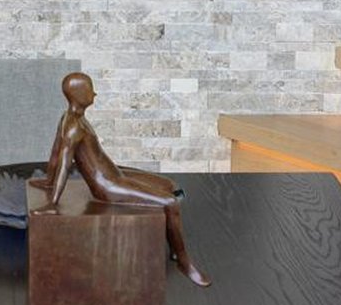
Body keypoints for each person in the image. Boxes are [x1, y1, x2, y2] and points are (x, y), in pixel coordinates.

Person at [30, 71, 210, 286]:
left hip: (115, 173)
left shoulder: (72, 118)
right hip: (109, 186)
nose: (94, 93)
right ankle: (183, 261)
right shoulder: (73, 128)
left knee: (167, 184)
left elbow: (54, 152)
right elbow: (64, 164)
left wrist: (48, 182)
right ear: (78, 95)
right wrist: (53, 202)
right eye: (89, 89)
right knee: (170, 203)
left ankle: (170, 240)